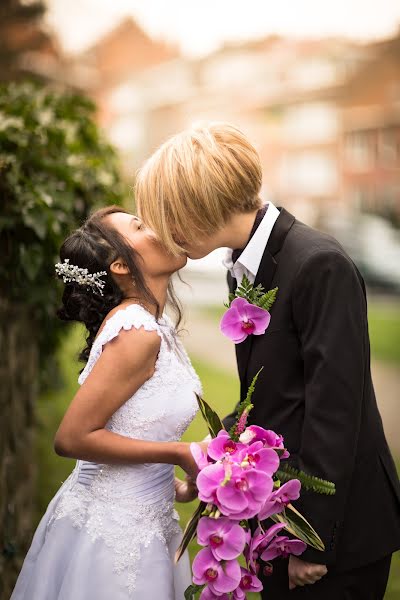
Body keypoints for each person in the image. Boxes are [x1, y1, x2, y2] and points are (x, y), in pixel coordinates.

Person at [136, 122, 400, 600]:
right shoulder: (247, 266)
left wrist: (309, 540)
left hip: (336, 533)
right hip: (280, 521)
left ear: (200, 204)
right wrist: (219, 466)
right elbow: (273, 395)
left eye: (168, 216)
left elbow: (335, 413)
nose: (164, 233)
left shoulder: (319, 264)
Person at [10, 205, 203, 600]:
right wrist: (179, 452)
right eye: (139, 225)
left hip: (146, 522)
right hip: (111, 536)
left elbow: (134, 424)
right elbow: (72, 438)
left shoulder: (156, 326)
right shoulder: (136, 333)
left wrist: (178, 488)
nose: (160, 226)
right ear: (119, 265)